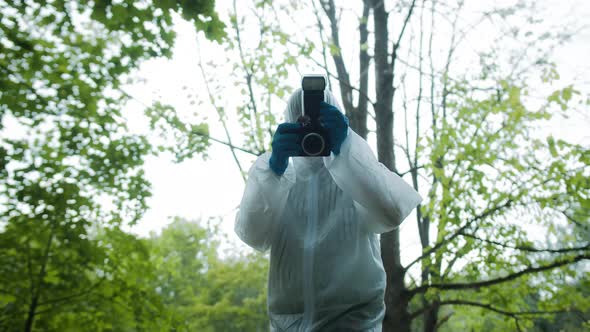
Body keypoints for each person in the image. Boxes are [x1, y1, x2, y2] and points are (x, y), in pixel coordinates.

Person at [235, 89, 422, 331]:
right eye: (302, 124)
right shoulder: (280, 182)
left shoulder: (354, 177)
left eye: (319, 123)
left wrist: (347, 146)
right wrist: (272, 171)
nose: (311, 130)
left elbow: (392, 212)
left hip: (353, 324)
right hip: (287, 325)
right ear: (290, 125)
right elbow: (252, 234)